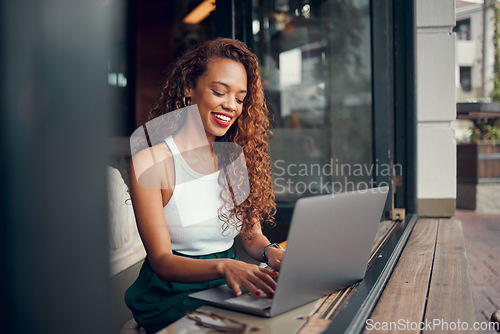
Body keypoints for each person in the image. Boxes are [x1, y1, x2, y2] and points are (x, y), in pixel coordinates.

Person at [125, 38, 284, 333]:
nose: (231, 106)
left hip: (226, 287)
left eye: (240, 98)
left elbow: (251, 236)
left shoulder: (235, 159)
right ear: (189, 88)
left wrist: (271, 253)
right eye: (219, 92)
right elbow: (161, 261)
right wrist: (224, 266)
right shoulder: (152, 161)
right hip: (172, 294)